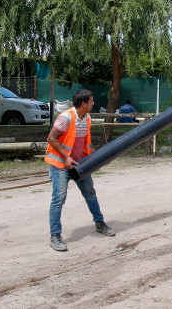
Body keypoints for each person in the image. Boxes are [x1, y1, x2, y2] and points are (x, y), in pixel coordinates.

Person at [44, 89, 115, 252]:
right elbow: (51, 138)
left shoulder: (87, 118)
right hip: (60, 165)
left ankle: (99, 223)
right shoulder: (66, 118)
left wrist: (99, 158)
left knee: (90, 193)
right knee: (58, 199)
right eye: (91, 101)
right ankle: (55, 235)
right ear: (84, 104)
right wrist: (66, 157)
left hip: (79, 164)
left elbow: (86, 144)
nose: (93, 103)